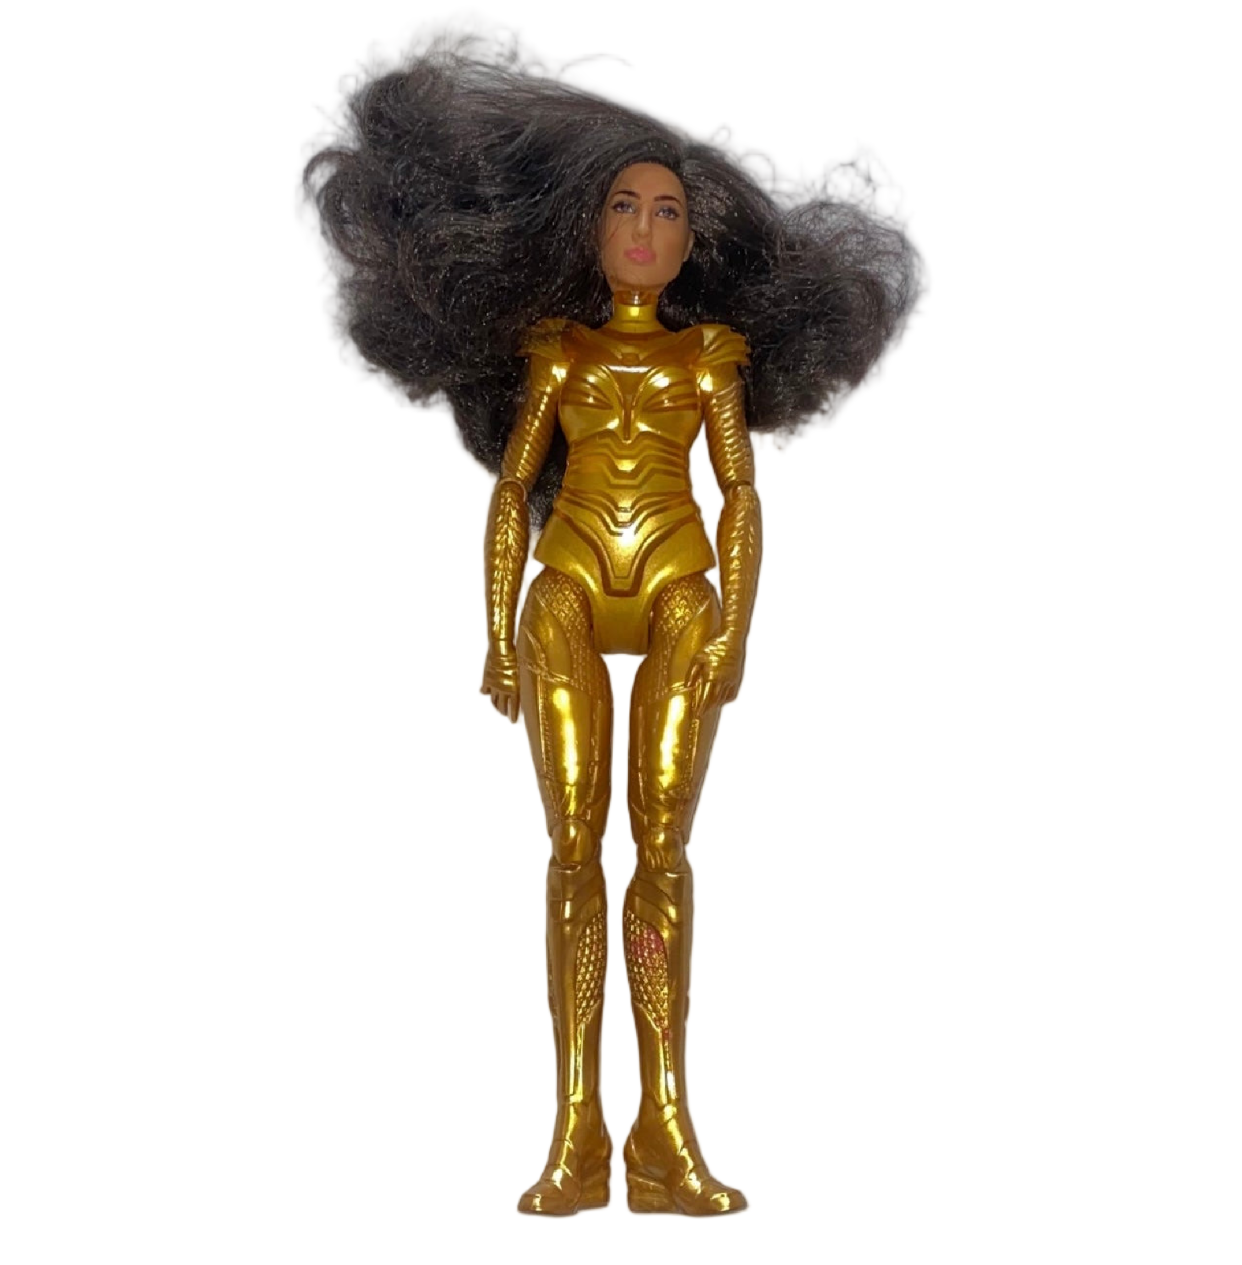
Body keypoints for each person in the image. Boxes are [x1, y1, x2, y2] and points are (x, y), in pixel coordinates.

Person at [306, 41, 918, 1216]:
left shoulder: (711, 359)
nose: (644, 227)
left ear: (697, 243)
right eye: (625, 207)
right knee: (574, 851)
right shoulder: (558, 352)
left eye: (668, 212)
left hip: (680, 586)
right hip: (570, 586)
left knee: (665, 853)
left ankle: (665, 1126)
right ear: (588, 230)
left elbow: (741, 497)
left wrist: (735, 628)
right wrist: (497, 629)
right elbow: (512, 490)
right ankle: (577, 1124)